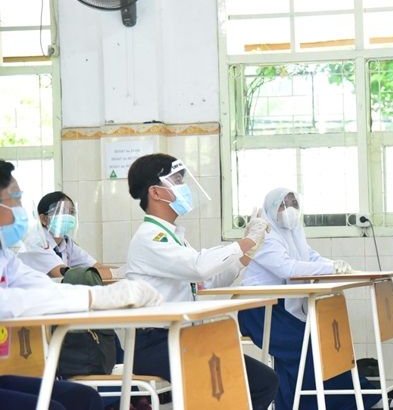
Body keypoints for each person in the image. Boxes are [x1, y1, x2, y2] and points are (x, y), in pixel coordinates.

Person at [0, 159, 162, 410]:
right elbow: (9, 302)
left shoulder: (5, 255)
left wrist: (105, 293)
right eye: (16, 199)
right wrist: (93, 298)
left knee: (83, 398)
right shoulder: (35, 244)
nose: (21, 209)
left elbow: (42, 285)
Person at [124, 153, 278, 410]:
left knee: (262, 380)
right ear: (155, 192)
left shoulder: (172, 236)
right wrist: (245, 242)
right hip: (155, 344)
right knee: (255, 382)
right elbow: (199, 266)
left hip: (183, 338)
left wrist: (245, 255)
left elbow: (209, 279)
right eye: (175, 181)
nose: (183, 188)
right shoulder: (150, 237)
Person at [237, 188, 393, 410]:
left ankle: (295, 406)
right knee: (312, 350)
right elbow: (287, 269)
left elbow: (311, 257)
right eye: (283, 204)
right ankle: (367, 401)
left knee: (307, 355)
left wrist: (337, 266)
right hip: (259, 311)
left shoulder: (294, 234)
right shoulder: (266, 236)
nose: (290, 209)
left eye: (294, 203)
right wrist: (329, 267)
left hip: (282, 308)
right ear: (271, 209)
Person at [18, 191, 113, 279]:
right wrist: (112, 273)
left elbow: (98, 267)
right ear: (44, 219)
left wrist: (119, 272)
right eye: (61, 211)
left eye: (71, 212)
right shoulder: (36, 242)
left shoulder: (66, 242)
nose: (68, 216)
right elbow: (67, 276)